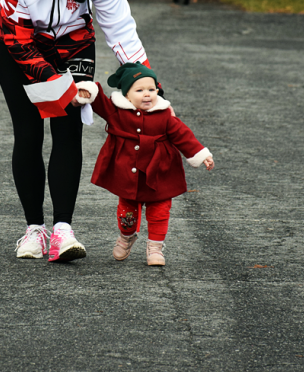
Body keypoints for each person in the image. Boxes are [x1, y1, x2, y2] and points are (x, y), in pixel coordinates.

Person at [0, 0, 162, 263]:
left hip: (73, 43)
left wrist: (146, 81)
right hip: (18, 44)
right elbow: (18, 41)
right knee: (29, 130)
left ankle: (63, 230)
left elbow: (118, 25)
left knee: (69, 129)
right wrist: (57, 84)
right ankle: (34, 229)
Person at [75, 63, 214, 266]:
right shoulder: (118, 111)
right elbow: (100, 102)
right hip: (126, 172)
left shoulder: (164, 114)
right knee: (127, 212)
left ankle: (155, 247)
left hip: (160, 172)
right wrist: (90, 91)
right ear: (127, 95)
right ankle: (127, 236)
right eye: (139, 90)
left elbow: (182, 135)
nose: (147, 94)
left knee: (160, 209)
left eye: (151, 89)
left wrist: (200, 155)